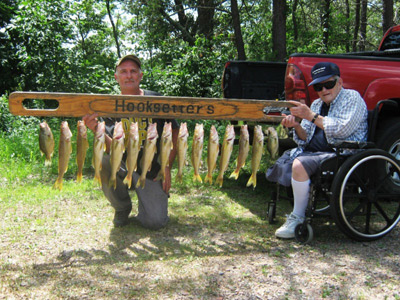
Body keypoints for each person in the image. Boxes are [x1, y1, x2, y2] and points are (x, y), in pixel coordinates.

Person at [266, 62, 368, 239]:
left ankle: (297, 218)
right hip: (315, 151)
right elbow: (305, 137)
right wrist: (296, 125)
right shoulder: (316, 104)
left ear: (340, 82)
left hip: (341, 153)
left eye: (328, 84)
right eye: (319, 86)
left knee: (299, 164)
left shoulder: (352, 98)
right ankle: (299, 210)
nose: (324, 90)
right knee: (286, 158)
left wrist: (310, 116)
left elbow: (341, 129)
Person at [83, 54, 179, 229]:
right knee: (105, 162)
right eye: (124, 71)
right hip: (123, 165)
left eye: (133, 71)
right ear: (116, 76)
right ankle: (122, 207)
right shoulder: (109, 106)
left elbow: (174, 130)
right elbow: (112, 147)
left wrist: (166, 166)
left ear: (140, 76)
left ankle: (148, 204)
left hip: (151, 168)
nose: (129, 76)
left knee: (156, 222)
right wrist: (96, 129)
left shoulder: (156, 99)